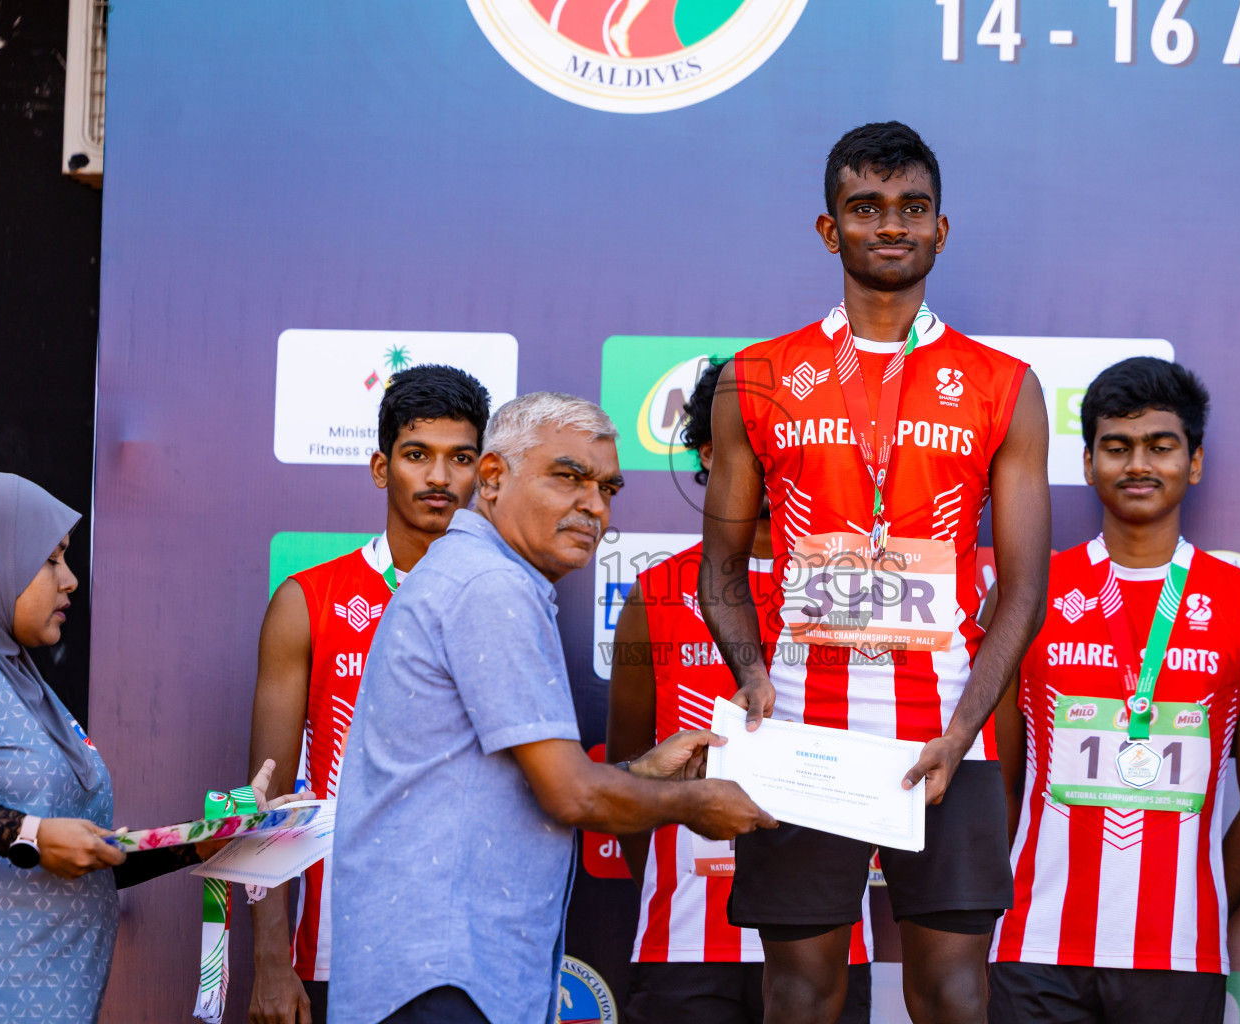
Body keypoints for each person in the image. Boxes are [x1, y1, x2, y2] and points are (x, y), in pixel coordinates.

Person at [700, 121, 1051, 1024]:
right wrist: (750, 679)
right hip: (801, 733)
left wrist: (966, 726)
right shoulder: (758, 376)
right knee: (801, 993)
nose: (889, 226)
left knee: (952, 994)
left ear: (941, 228)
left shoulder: (1002, 383)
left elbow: (1023, 586)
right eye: (865, 208)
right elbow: (722, 569)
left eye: (911, 209)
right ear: (830, 230)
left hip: (944, 735)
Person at [328, 392, 776, 1024]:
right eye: (569, 477)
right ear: (491, 477)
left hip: (450, 973)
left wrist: (645, 773)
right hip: (446, 978)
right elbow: (571, 795)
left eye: (607, 488)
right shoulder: (490, 586)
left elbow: (521, 783)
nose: (593, 505)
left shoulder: (485, 578)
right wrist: (693, 803)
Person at [986, 358, 1240, 1024]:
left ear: (1196, 462)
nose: (1138, 464)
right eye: (1117, 447)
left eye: (1161, 445)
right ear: (1089, 461)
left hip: (1180, 951)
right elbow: (998, 790)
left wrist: (1197, 904)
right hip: (1035, 943)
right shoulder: (1027, 592)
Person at [607, 359, 873, 1024]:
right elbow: (631, 770)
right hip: (686, 942)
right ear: (708, 453)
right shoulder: (657, 593)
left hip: (829, 940)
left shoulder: (854, 590)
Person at [0, 472, 300, 1022]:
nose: (71, 580)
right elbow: (41, 841)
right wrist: (30, 834)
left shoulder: (23, 683)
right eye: (51, 559)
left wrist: (203, 841)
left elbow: (94, 855)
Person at [247, 365, 490, 1024]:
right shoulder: (309, 601)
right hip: (336, 951)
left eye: (459, 458)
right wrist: (272, 962)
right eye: (418, 455)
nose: (439, 477)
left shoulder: (505, 602)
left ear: (482, 473)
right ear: (382, 469)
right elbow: (266, 795)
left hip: (468, 957)